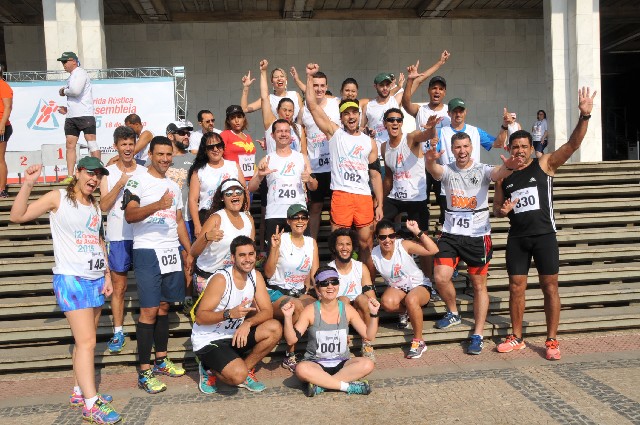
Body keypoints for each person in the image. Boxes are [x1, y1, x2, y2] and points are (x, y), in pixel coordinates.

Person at [10, 158, 121, 424]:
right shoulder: (57, 197)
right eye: (90, 173)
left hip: (95, 278)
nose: (94, 180)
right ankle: (91, 405)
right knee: (87, 342)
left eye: (98, 176)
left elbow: (98, 240)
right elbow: (17, 216)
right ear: (78, 172)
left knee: (85, 341)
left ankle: (79, 392)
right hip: (72, 279)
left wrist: (106, 274)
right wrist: (28, 184)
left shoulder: (94, 205)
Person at [493, 87, 597, 361]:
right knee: (516, 287)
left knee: (550, 286)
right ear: (510, 149)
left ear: (531, 148)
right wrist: (502, 211)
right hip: (518, 239)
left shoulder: (545, 165)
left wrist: (584, 116)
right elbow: (497, 209)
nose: (519, 151)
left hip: (544, 236)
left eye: (524, 147)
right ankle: (516, 337)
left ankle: (551, 340)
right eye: (515, 147)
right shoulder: (504, 177)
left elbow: (572, 145)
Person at [425, 132, 523, 355]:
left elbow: (498, 173)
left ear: (471, 148)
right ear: (452, 149)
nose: (462, 151)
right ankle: (453, 312)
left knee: (479, 286)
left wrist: (509, 166)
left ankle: (478, 334)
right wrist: (429, 160)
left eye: (466, 146)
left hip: (477, 236)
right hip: (451, 233)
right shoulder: (447, 170)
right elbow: (434, 170)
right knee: (440, 277)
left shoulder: (482, 169)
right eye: (458, 147)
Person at [124, 136, 192, 394]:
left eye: (168, 154)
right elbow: (130, 214)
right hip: (147, 250)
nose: (165, 159)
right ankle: (144, 371)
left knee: (165, 307)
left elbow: (178, 221)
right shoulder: (137, 180)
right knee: (149, 310)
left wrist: (188, 251)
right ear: (150, 155)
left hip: (170, 250)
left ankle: (161, 360)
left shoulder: (173, 186)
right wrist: (157, 205)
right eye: (160, 154)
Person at [304, 63, 383, 279]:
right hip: (341, 195)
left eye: (354, 112)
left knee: (366, 243)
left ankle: (367, 284)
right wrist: (309, 77)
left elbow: (375, 174)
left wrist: (379, 203)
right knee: (339, 243)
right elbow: (312, 106)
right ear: (341, 117)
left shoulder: (369, 142)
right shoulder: (335, 133)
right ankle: (339, 282)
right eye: (346, 113)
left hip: (363, 197)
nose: (350, 116)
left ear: (359, 114)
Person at [191, 236, 282, 394]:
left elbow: (268, 311)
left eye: (251, 254)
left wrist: (248, 323)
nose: (248, 259)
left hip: (235, 334)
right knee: (237, 376)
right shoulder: (221, 279)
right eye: (242, 255)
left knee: (274, 328)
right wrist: (228, 314)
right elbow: (200, 317)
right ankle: (208, 368)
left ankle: (245, 371)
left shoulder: (256, 276)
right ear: (233, 258)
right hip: (209, 339)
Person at [281, 266, 380, 397]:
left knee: (367, 364)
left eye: (334, 282)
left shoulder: (347, 309)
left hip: (342, 362)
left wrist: (373, 314)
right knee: (301, 369)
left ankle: (321, 385)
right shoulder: (310, 310)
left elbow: (369, 336)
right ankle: (347, 386)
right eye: (324, 283)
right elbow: (291, 340)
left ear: (338, 285)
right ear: (317, 289)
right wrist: (288, 317)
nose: (330, 286)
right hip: (316, 363)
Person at [100, 126, 146, 354]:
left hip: (142, 237)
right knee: (119, 287)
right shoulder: (107, 172)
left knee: (147, 286)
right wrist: (120, 183)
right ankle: (118, 331)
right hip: (118, 237)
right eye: (123, 144)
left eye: (131, 144)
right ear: (116, 146)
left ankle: (147, 329)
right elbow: (103, 206)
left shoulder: (145, 171)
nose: (127, 148)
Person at [372, 219, 439, 359]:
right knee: (386, 303)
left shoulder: (403, 245)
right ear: (377, 238)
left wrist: (417, 232)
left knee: (411, 299)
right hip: (398, 287)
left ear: (395, 236)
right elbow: (369, 278)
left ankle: (419, 341)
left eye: (391, 236)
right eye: (383, 237)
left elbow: (433, 250)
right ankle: (406, 311)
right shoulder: (374, 254)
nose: (387, 240)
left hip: (419, 285)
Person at [264, 204, 319, 372]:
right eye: (296, 218)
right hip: (277, 292)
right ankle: (290, 355)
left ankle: (319, 352)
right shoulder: (281, 239)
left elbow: (315, 275)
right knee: (296, 306)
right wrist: (274, 248)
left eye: (303, 217)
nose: (300, 221)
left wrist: (324, 297)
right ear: (288, 221)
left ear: (308, 221)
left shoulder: (311, 242)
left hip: (299, 293)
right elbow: (268, 273)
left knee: (319, 308)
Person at [248, 119, 316, 247]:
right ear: (272, 135)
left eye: (286, 131)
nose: (283, 134)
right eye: (279, 131)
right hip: (275, 215)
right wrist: (260, 176)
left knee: (301, 253)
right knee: (274, 255)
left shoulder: (301, 158)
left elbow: (314, 186)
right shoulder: (267, 159)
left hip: (298, 215)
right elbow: (251, 187)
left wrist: (310, 180)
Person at [402, 54, 451, 226]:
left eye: (441, 89)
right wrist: (410, 80)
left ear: (445, 92)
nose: (437, 91)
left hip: (443, 164)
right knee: (420, 204)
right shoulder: (420, 110)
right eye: (434, 88)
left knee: (445, 202)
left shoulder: (450, 112)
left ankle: (445, 232)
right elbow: (405, 102)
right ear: (429, 91)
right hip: (421, 165)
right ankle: (420, 233)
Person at [190, 178, 255, 298]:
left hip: (235, 276)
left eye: (238, 192)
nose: (234, 195)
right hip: (209, 275)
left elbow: (251, 252)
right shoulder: (216, 219)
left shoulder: (248, 219)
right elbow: (193, 252)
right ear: (222, 198)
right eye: (229, 193)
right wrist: (206, 237)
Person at [300, 68, 340, 239]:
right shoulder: (303, 110)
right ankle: (313, 244)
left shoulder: (336, 103)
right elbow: (301, 136)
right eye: (315, 85)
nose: (319, 89)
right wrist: (306, 164)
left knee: (336, 209)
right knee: (315, 207)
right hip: (315, 167)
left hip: (335, 167)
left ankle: (337, 245)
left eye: (322, 85)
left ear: (327, 87)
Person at [327, 228, 377, 361]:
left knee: (363, 299)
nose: (345, 248)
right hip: (339, 317)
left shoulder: (361, 267)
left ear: (353, 246)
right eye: (340, 244)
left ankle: (367, 344)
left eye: (348, 244)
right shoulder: (329, 270)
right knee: (343, 300)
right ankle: (342, 343)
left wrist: (373, 308)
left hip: (360, 316)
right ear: (334, 247)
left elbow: (370, 295)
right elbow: (326, 302)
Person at [163, 121, 197, 311]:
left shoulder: (194, 160)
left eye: (188, 133)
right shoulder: (159, 158)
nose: (186, 136)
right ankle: (165, 300)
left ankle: (188, 298)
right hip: (164, 219)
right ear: (170, 135)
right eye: (182, 133)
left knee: (187, 258)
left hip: (187, 218)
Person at [188, 132, 245, 239]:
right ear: (205, 150)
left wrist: (245, 214)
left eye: (219, 145)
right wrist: (197, 225)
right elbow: (193, 200)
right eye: (211, 147)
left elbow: (244, 191)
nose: (215, 149)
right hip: (208, 216)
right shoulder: (199, 171)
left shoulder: (233, 166)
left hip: (233, 214)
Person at [56, 52, 100, 182]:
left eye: (65, 61)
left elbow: (75, 91)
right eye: (62, 62)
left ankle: (98, 172)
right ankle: (70, 176)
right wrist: (67, 109)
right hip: (72, 116)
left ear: (74, 61)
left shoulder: (80, 73)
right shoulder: (72, 76)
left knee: (91, 143)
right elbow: (75, 98)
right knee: (70, 145)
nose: (63, 64)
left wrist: (63, 91)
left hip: (85, 114)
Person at [361, 71, 406, 161]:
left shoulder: (395, 101)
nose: (385, 88)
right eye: (381, 85)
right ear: (375, 86)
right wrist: (367, 131)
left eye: (387, 85)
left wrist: (402, 84)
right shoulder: (368, 106)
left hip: (395, 153)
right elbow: (361, 128)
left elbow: (409, 90)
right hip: (376, 155)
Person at [220, 105, 257, 184]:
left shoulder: (248, 137)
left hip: (251, 180)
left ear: (244, 118)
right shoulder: (225, 135)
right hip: (234, 179)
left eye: (239, 117)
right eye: (233, 118)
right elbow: (218, 155)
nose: (237, 120)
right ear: (228, 121)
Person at [0, 63, 13, 198]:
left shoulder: (3, 86)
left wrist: (2, 124)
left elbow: (8, 107)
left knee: (0, 158)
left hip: (2, 125)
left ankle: (2, 189)